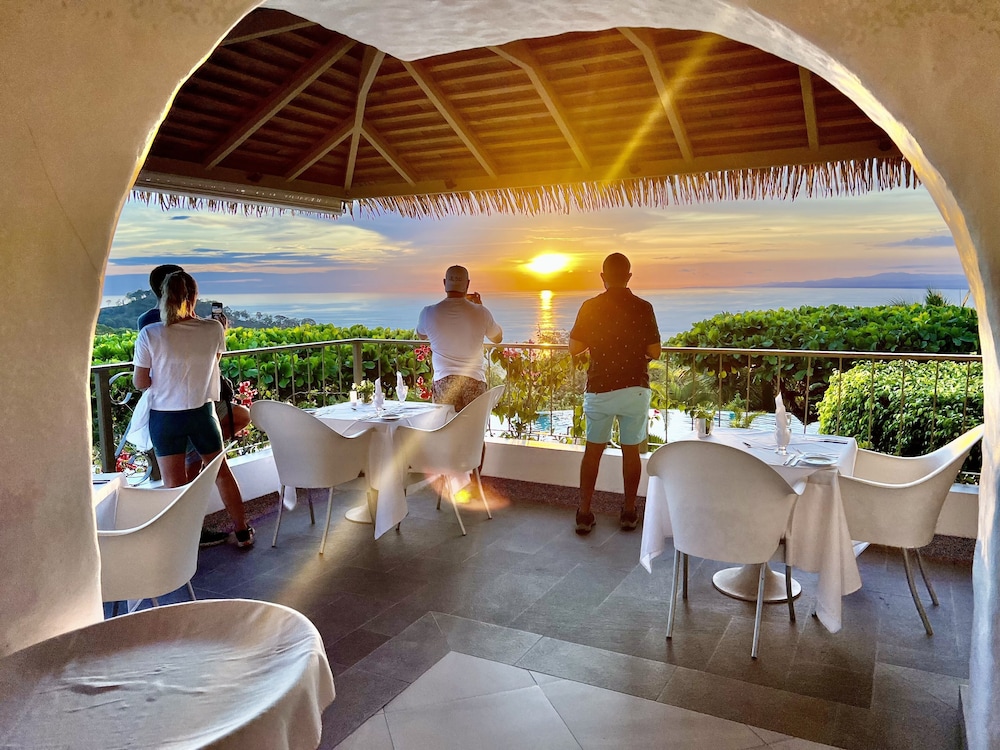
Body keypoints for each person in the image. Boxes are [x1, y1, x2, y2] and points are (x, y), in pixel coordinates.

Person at [132, 270, 255, 548]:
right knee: (221, 473)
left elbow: (141, 382)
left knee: (174, 485)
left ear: (164, 295)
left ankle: (183, 545)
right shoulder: (213, 329)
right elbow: (213, 362)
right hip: (202, 414)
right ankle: (242, 531)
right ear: (195, 296)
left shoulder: (150, 333)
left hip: (165, 418)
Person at [568, 253, 661, 534]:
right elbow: (655, 351)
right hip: (635, 388)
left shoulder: (590, 307)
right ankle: (629, 512)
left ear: (603, 277)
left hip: (600, 388)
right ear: (629, 277)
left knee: (593, 452)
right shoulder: (643, 307)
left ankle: (584, 513)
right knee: (631, 451)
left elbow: (574, 347)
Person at [416, 265, 503, 411]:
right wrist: (480, 307)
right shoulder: (481, 313)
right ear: (467, 284)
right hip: (474, 381)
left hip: (443, 382)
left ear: (445, 283)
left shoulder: (428, 313)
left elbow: (421, 335)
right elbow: (497, 338)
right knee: (474, 424)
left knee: (446, 424)